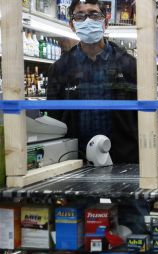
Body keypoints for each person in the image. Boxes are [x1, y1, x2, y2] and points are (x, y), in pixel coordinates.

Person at [47, 0, 138, 163]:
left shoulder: (130, 65)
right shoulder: (60, 69)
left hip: (123, 159)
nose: (87, 20)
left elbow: (142, 115)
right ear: (72, 25)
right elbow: (54, 122)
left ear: (106, 23)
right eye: (80, 16)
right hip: (74, 160)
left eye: (94, 15)